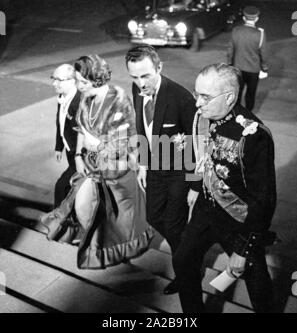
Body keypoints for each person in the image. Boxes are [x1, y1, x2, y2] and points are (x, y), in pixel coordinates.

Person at [173, 63, 277, 313]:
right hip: (206, 210)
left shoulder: (253, 134)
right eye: (197, 93)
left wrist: (243, 249)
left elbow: (264, 200)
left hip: (240, 222)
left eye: (205, 97)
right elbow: (196, 153)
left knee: (256, 281)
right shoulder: (202, 116)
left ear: (229, 97)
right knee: (183, 260)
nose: (197, 102)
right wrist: (195, 186)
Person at [41, 54, 154, 269]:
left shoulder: (118, 100)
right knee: (85, 208)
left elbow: (123, 142)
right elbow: (81, 130)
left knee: (118, 221)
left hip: (116, 171)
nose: (79, 86)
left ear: (97, 80)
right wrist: (77, 155)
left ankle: (117, 253)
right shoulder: (86, 97)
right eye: (78, 81)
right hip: (92, 166)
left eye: (83, 82)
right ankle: (96, 246)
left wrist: (96, 145)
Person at [125, 45, 197, 294]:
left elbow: (198, 140)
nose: (140, 83)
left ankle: (186, 274)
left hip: (179, 171)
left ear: (159, 67)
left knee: (174, 226)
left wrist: (195, 184)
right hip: (154, 168)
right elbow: (142, 128)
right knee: (154, 217)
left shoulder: (181, 97)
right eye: (134, 76)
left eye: (145, 75)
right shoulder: (137, 89)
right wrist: (143, 164)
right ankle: (188, 247)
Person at [227, 6, 268, 112]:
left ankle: (236, 112)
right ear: (257, 18)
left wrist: (230, 64)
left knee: (238, 92)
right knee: (251, 93)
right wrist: (264, 67)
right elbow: (263, 53)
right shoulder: (260, 34)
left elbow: (230, 50)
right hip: (253, 70)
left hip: (238, 67)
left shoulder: (236, 31)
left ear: (244, 18)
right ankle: (248, 113)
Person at [52, 64, 81, 208]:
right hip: (71, 152)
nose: (54, 83)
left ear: (72, 81)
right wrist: (59, 147)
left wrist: (79, 157)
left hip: (80, 155)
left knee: (61, 187)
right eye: (53, 78)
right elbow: (60, 124)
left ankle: (58, 220)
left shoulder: (78, 102)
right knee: (71, 187)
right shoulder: (62, 98)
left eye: (59, 80)